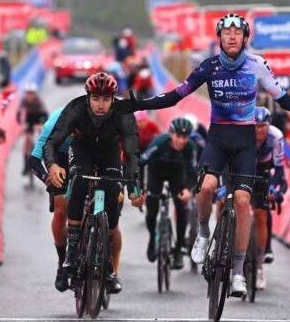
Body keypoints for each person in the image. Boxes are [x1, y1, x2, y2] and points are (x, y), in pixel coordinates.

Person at [114, 13, 290, 296]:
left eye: (237, 33)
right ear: (220, 38)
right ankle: (203, 233)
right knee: (206, 189)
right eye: (226, 33)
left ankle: (238, 273)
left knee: (241, 202)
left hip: (245, 143)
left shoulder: (257, 65)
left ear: (244, 37)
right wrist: (139, 104)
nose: (232, 37)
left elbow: (284, 99)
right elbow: (176, 96)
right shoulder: (209, 66)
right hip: (217, 139)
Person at [43, 72, 145, 294]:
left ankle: (108, 267)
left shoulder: (123, 113)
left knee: (112, 190)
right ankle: (71, 256)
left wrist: (135, 190)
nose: (101, 105)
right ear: (88, 97)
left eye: (106, 99)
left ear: (113, 99)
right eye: (96, 99)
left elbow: (131, 155)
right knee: (78, 180)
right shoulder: (76, 108)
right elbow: (51, 143)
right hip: (82, 149)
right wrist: (52, 165)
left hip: (109, 152)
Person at [27, 107, 76, 292]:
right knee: (61, 205)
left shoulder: (96, 119)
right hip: (59, 157)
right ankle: (62, 260)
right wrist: (48, 179)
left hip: (86, 154)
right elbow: (33, 160)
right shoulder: (53, 123)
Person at [140, 117, 197, 270]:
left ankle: (178, 250)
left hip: (176, 175)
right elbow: (141, 163)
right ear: (171, 134)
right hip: (155, 173)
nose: (181, 141)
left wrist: (187, 189)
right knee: (152, 212)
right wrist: (140, 188)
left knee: (181, 209)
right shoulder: (159, 143)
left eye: (185, 137)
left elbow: (193, 173)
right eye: (178, 136)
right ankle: (152, 238)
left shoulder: (190, 147)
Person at [252, 107, 286, 290]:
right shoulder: (243, 132)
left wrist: (273, 185)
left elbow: (280, 169)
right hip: (245, 166)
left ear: (268, 125)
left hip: (264, 169)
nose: (259, 130)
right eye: (256, 126)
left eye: (263, 126)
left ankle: (258, 268)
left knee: (261, 213)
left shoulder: (276, 136)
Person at [17, 82, 48, 178]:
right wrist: (21, 123)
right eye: (28, 93)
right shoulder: (23, 100)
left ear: (34, 94)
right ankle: (25, 165)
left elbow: (45, 115)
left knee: (41, 136)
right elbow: (18, 114)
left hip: (39, 117)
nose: (29, 95)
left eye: (32, 93)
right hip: (29, 118)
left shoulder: (38, 101)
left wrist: (41, 125)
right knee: (27, 140)